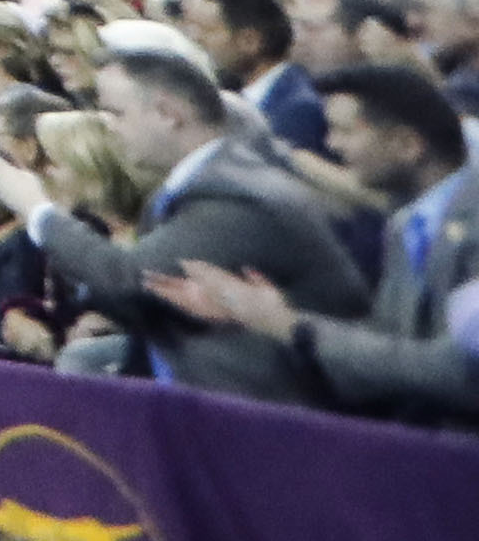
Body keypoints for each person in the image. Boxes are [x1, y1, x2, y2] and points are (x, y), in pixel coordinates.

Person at [0, 32, 366, 398]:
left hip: (264, 412)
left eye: (116, 112)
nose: (107, 126)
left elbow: (132, 283)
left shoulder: (232, 191)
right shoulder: (193, 182)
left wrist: (37, 210)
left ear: (168, 113)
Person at [147, 60, 477, 425]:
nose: (331, 145)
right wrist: (252, 313)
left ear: (407, 144)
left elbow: (461, 373)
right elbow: (387, 344)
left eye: (344, 130)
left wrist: (293, 326)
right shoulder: (406, 226)